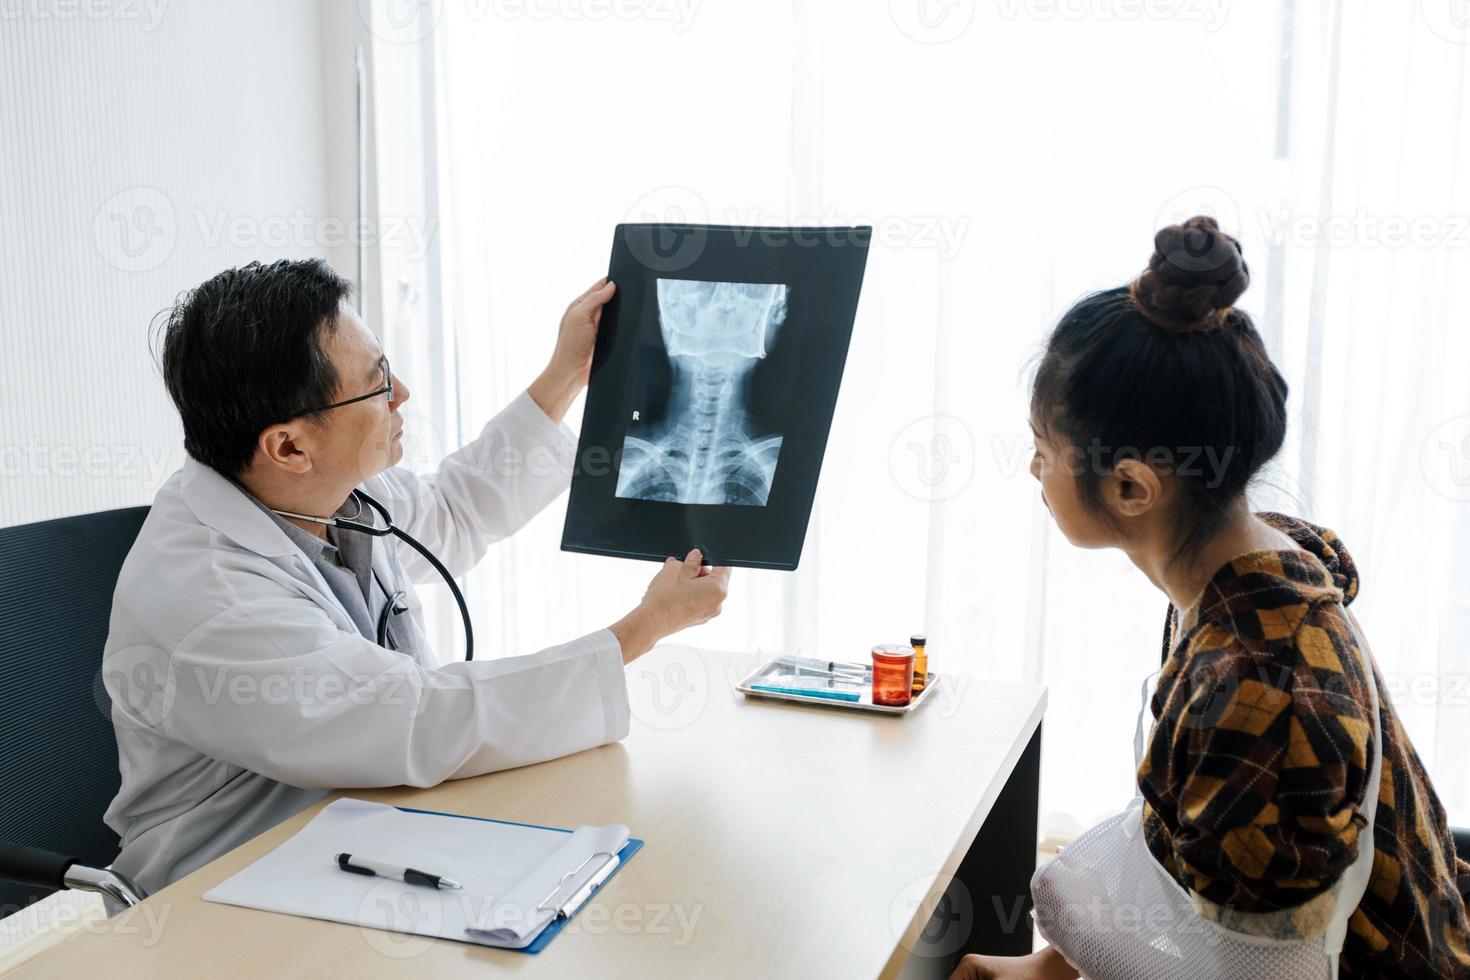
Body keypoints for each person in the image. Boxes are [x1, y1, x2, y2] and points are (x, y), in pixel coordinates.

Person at [102, 259, 730, 899]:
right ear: (289, 447)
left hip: (353, 834)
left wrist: (567, 372)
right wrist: (646, 627)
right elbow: (415, 719)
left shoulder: (321, 484)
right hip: (222, 886)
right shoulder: (212, 596)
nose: (402, 394)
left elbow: (453, 513)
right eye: (377, 385)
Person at [953, 218, 1469, 979]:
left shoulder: (1259, 690)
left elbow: (1256, 968)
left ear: (1131, 486)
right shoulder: (1246, 570)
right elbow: (1184, 863)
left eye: (1042, 445)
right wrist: (1043, 970)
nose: (1032, 469)